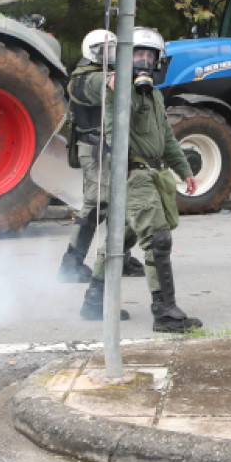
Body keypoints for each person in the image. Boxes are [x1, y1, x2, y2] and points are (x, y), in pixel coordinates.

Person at [77, 28, 203, 333]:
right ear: (124, 59)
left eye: (149, 56)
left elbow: (167, 137)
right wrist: (117, 92)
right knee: (158, 239)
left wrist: (184, 169)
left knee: (120, 239)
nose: (144, 62)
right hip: (133, 176)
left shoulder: (155, 95)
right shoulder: (119, 93)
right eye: (137, 55)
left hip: (151, 173)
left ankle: (94, 302)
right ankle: (165, 313)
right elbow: (112, 133)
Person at [56, 29, 146, 283]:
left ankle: (118, 257)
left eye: (114, 49)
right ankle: (71, 264)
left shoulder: (110, 75)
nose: (112, 55)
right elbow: (99, 86)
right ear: (93, 51)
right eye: (106, 50)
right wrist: (113, 80)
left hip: (114, 148)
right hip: (93, 149)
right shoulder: (82, 79)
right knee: (97, 203)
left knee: (124, 202)